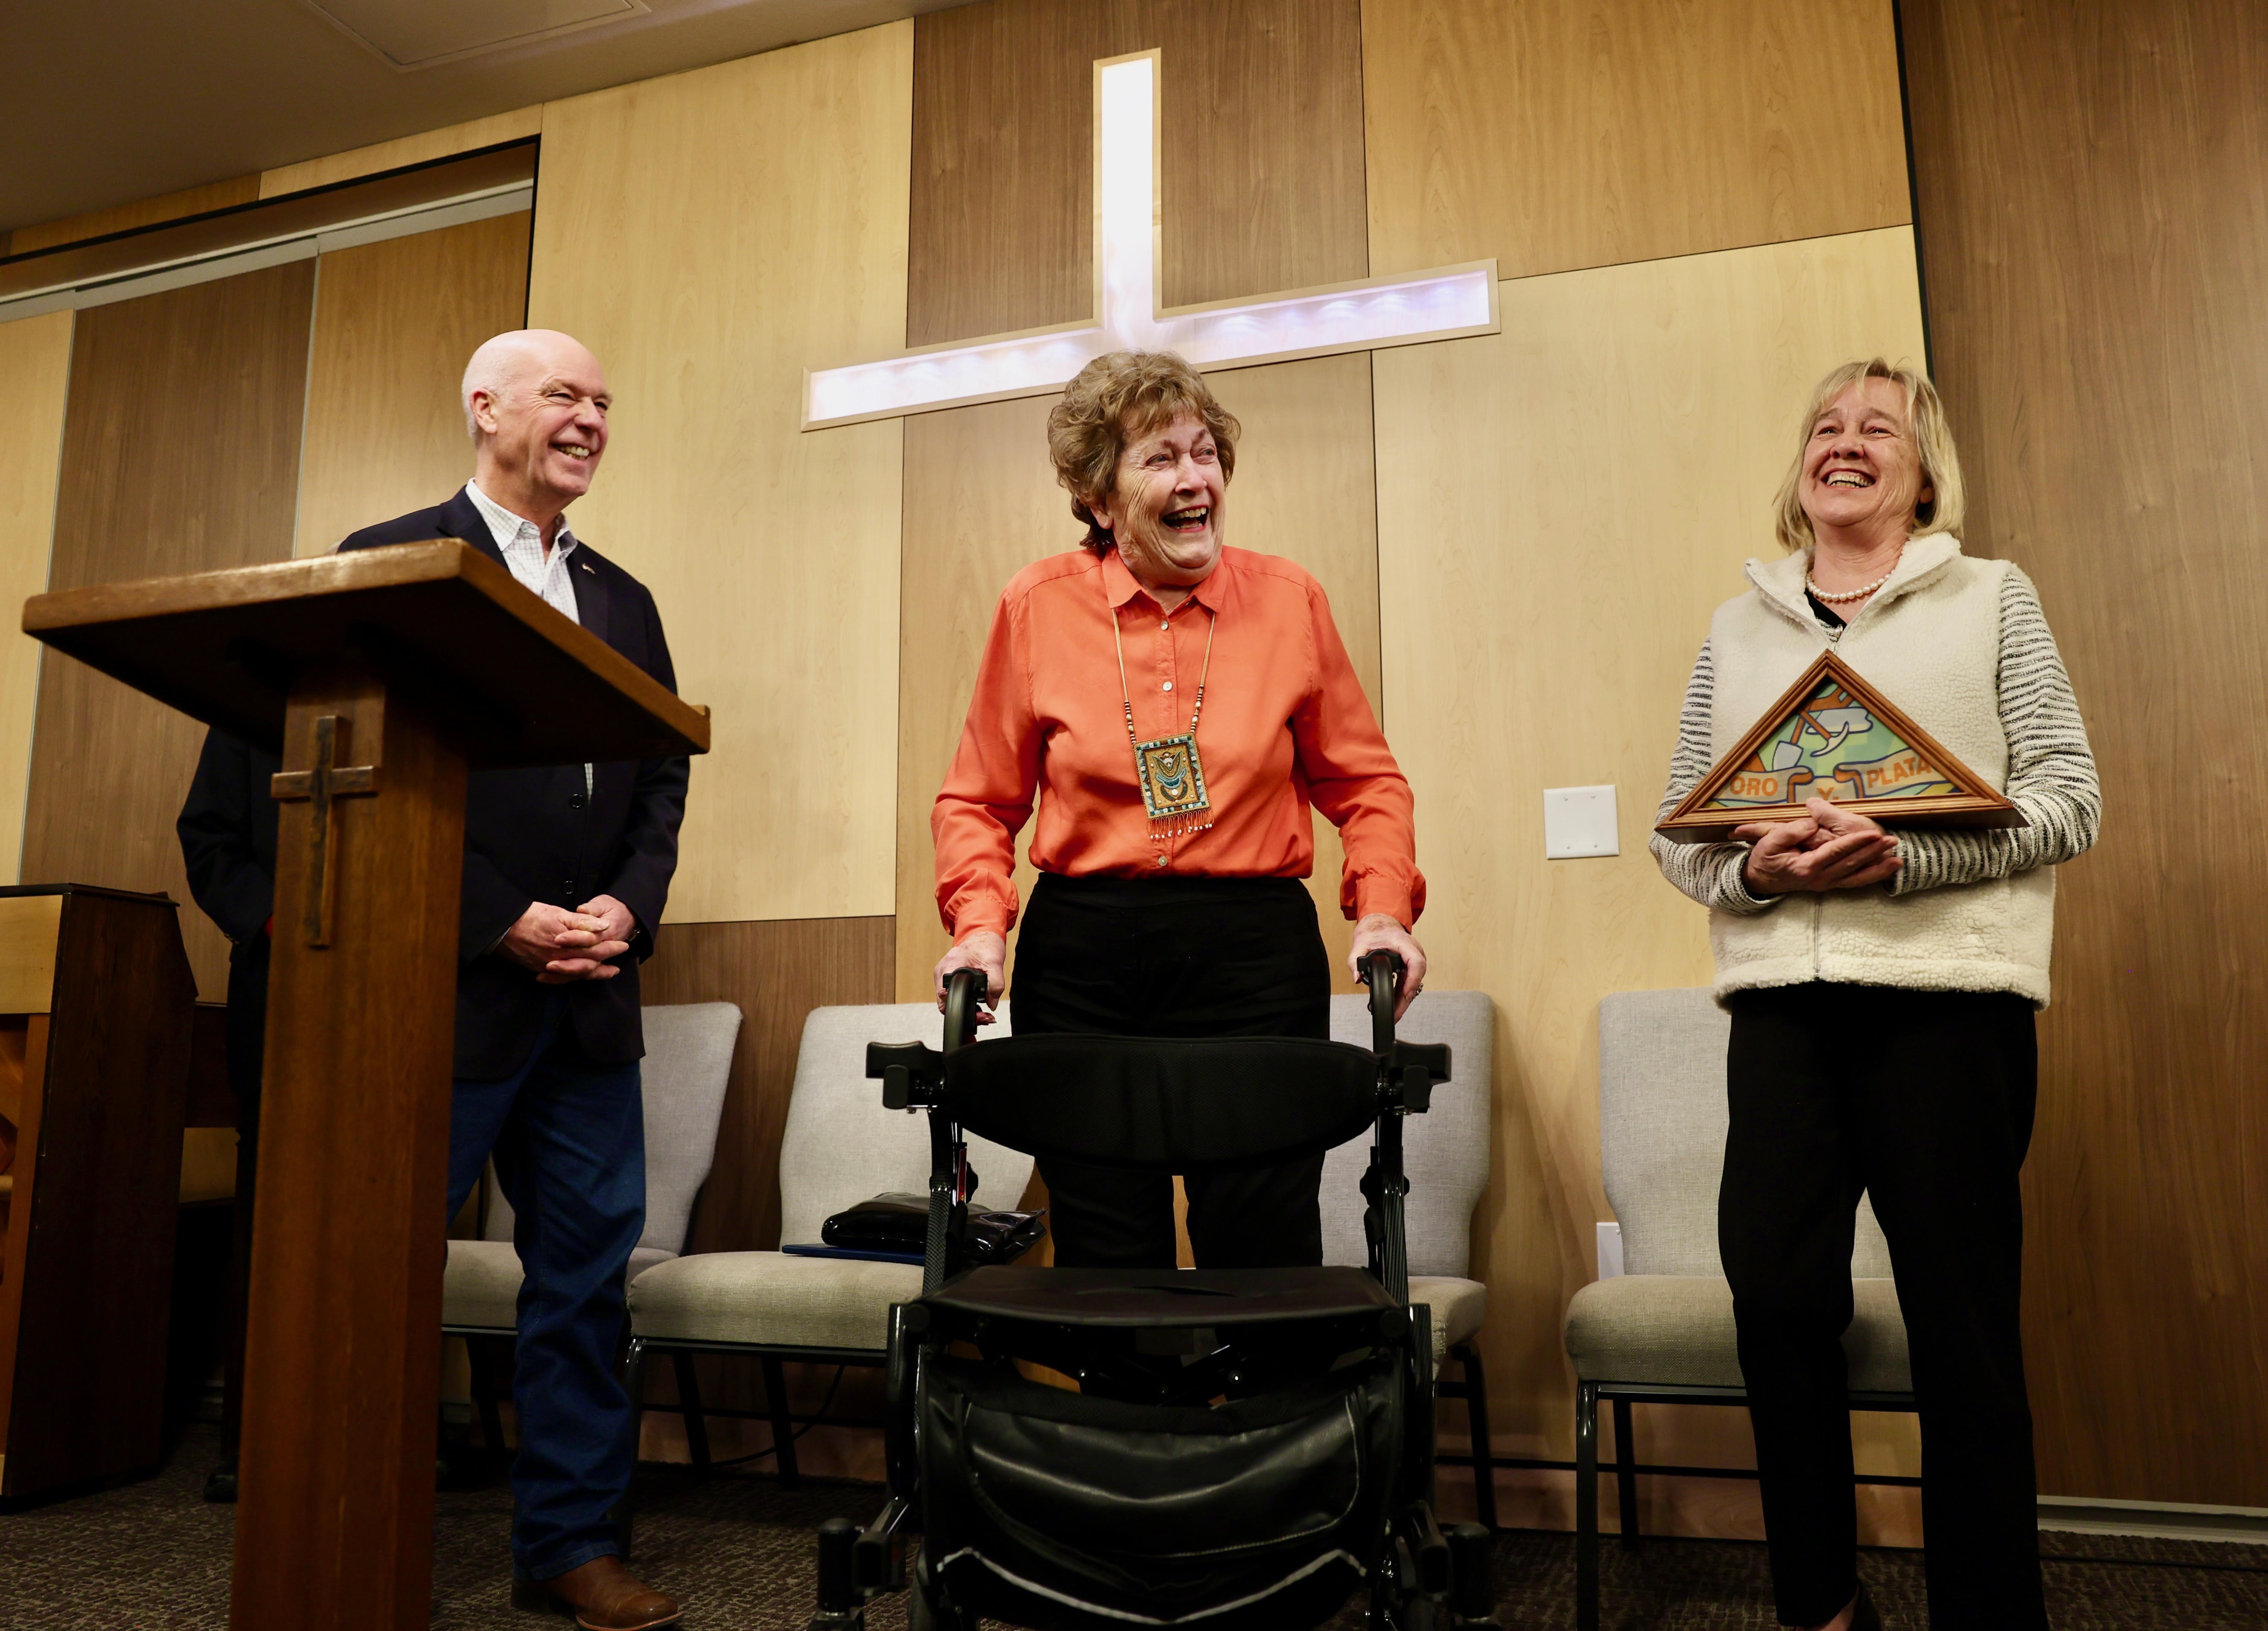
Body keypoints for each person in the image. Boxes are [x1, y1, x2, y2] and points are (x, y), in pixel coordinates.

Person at [1650, 358, 2099, 1631]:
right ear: (1801, 463)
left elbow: (2071, 799)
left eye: (1878, 429)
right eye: (1825, 426)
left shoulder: (1994, 598)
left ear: (1922, 472)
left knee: (1962, 1328)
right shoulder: (1735, 628)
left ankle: (1986, 1613)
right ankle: (1821, 1606)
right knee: (1775, 1301)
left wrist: (1909, 859)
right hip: (1781, 1013)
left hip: (1947, 1006)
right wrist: (1754, 871)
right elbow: (1681, 829)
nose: (1844, 443)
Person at [336, 329, 690, 1631]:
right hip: (439, 994)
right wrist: (495, 921)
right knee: (375, 1278)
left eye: (604, 401)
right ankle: (347, 1537)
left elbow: (661, 773)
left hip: (590, 999)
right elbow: (370, 769)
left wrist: (627, 909)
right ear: (484, 406)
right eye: (564, 395)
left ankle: (569, 1546)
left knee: (585, 1282)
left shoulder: (624, 598)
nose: (591, 417)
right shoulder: (394, 559)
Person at [931, 349, 1427, 1272]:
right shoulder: (1036, 606)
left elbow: (1368, 786)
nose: (1195, 478)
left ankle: (1262, 1379)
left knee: (1262, 1242)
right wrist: (981, 929)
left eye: (1205, 453)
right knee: (1104, 1250)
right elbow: (978, 799)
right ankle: (1125, 1377)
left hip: (1252, 956)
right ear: (1098, 498)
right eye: (1160, 459)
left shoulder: (1289, 601)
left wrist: (1384, 911)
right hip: (1085, 960)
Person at [176, 726, 280, 1503]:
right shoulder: (249, 704)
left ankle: (392, 1437)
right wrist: (282, 918)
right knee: (270, 1231)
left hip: (421, 989)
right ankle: (256, 1440)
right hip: (280, 993)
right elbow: (208, 836)